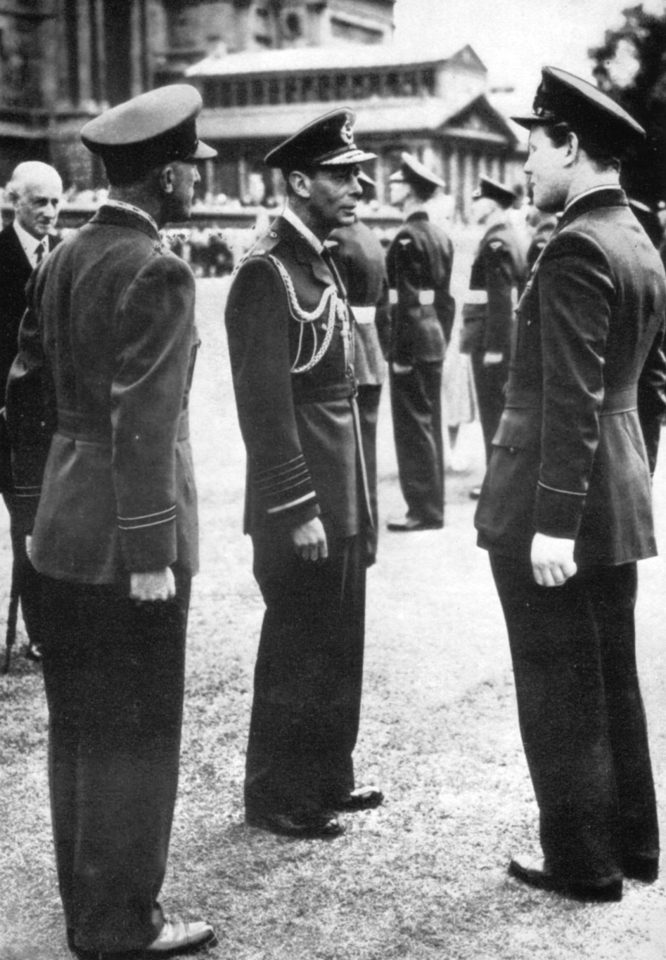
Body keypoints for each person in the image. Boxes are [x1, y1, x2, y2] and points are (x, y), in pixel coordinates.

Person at [6, 85, 217, 956]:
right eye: (192, 172)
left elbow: (23, 394)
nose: (198, 183)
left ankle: (87, 911)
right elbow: (143, 420)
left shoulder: (60, 258)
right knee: (139, 731)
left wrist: (32, 511)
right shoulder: (157, 270)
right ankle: (127, 923)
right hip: (132, 543)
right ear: (167, 179)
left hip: (61, 526)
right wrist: (149, 551)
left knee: (81, 730)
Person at [475, 66, 666, 902]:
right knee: (610, 671)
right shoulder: (638, 238)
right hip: (611, 491)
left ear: (573, 147)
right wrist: (631, 477)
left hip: (556, 504)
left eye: (534, 146)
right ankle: (634, 843)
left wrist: (554, 523)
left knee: (558, 683)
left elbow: (573, 396)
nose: (524, 165)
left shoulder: (578, 246)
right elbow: (651, 385)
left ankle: (582, 861)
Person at [225, 108, 383, 839]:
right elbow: (265, 405)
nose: (359, 185)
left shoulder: (320, 256)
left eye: (357, 172)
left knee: (338, 636)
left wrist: (356, 503)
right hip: (304, 494)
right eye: (342, 175)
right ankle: (277, 792)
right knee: (299, 641)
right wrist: (297, 505)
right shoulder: (267, 271)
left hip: (339, 486)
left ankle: (325, 773)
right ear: (297, 181)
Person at [0, 160, 62, 662]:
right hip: (5, 422)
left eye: (56, 202)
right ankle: (43, 629)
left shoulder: (65, 256)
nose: (49, 211)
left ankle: (51, 622)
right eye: (38, 201)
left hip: (55, 420)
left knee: (52, 518)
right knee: (27, 518)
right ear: (12, 200)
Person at [385, 152, 455, 532]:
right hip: (433, 338)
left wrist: (400, 352)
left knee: (413, 427)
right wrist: (439, 334)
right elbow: (445, 301)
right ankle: (433, 506)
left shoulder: (406, 237)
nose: (390, 186)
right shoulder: (440, 235)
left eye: (396, 182)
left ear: (410, 190)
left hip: (412, 342)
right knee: (430, 423)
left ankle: (422, 510)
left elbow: (405, 302)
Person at [329, 171, 390, 563]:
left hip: (350, 349)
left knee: (351, 458)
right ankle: (368, 538)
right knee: (366, 452)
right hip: (372, 349)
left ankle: (359, 542)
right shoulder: (370, 237)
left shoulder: (338, 242)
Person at [461, 177, 528, 499]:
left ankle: (498, 483)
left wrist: (495, 347)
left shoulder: (495, 242)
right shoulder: (506, 236)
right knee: (499, 412)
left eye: (477, 201)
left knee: (494, 413)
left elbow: (500, 298)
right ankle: (501, 479)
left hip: (491, 341)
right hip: (496, 337)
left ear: (489, 204)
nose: (473, 206)